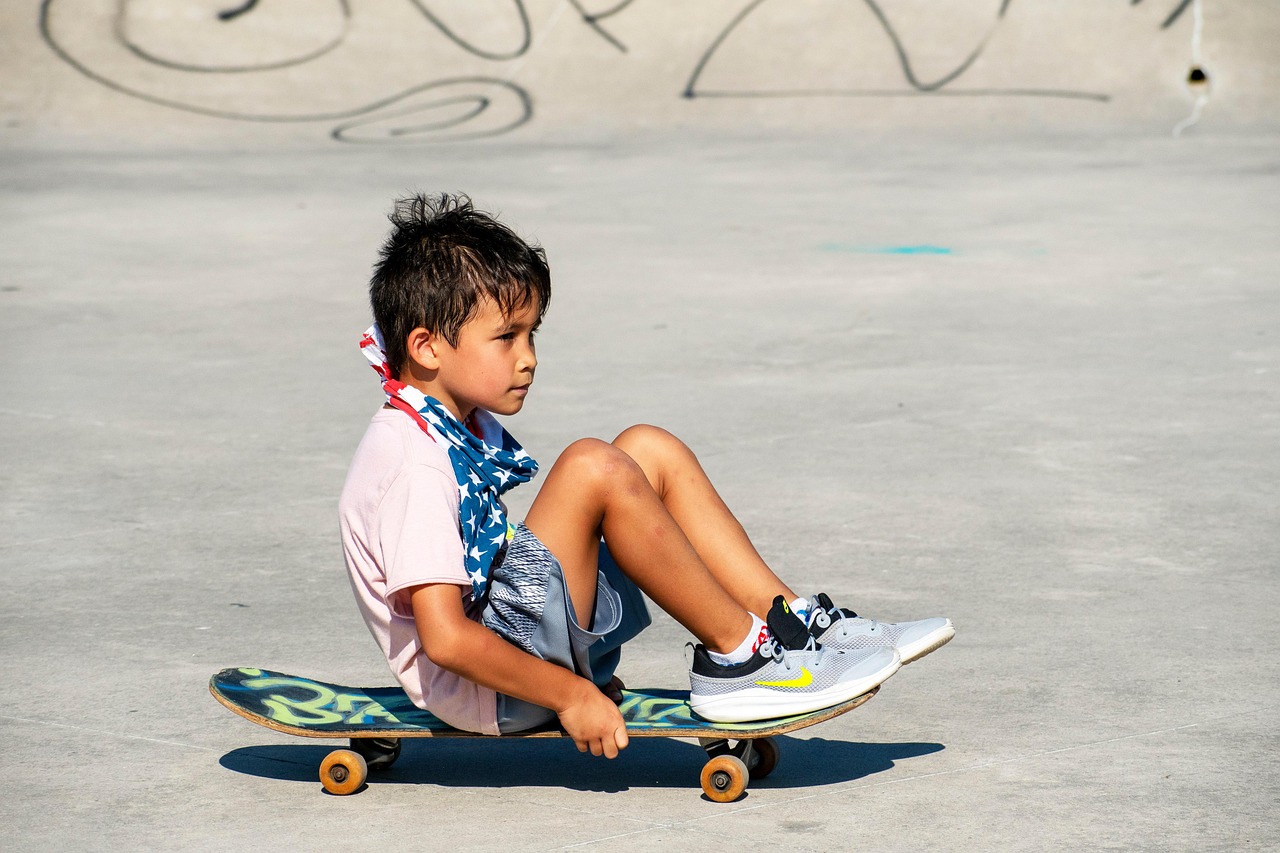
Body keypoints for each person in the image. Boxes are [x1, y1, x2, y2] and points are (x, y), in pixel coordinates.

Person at [338, 193, 953, 761]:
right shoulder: (413, 463)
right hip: (493, 690)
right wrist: (570, 695)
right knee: (592, 465)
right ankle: (741, 660)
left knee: (645, 450)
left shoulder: (440, 423)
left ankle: (794, 626)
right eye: (506, 337)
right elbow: (446, 640)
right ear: (426, 347)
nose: (529, 357)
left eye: (531, 333)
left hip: (512, 648)